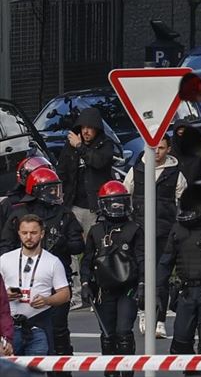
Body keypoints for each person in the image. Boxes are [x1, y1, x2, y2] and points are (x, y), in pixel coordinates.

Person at [0, 167, 82, 354]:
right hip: (21, 281)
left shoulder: (64, 214)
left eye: (56, 188)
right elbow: (5, 244)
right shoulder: (18, 213)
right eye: (50, 189)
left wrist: (62, 243)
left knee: (59, 333)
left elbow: (78, 244)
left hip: (55, 274)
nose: (55, 193)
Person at [123, 135, 186, 340]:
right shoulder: (136, 170)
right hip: (140, 232)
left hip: (164, 233)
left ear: (168, 149)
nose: (157, 152)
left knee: (162, 277)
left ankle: (159, 321)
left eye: (161, 148)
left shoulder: (176, 174)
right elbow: (125, 197)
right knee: (142, 275)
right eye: (153, 148)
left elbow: (183, 204)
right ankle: (143, 314)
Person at [58, 106, 114, 307]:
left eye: (91, 128)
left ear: (98, 129)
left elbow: (99, 163)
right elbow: (62, 171)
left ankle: (97, 292)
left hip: (95, 208)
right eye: (83, 127)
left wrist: (81, 147)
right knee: (71, 248)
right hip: (73, 206)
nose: (86, 131)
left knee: (97, 251)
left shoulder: (105, 145)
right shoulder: (70, 145)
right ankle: (75, 293)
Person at [81, 181, 143, 356]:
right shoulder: (96, 231)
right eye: (113, 203)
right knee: (108, 335)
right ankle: (111, 372)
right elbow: (87, 259)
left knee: (124, 332)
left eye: (121, 202)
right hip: (104, 290)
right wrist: (85, 283)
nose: (117, 207)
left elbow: (142, 259)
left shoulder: (135, 230)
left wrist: (143, 284)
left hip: (128, 289)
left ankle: (127, 372)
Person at [158, 207, 201, 354]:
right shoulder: (178, 229)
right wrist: (157, 288)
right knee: (180, 344)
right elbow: (166, 262)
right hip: (186, 291)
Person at [0, 215, 70, 354]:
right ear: (19, 233)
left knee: (36, 370)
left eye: (33, 233)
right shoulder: (5, 259)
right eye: (24, 233)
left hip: (38, 326)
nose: (28, 237)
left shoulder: (53, 261)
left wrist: (47, 300)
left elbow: (65, 294)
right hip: (10, 327)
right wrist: (5, 295)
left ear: (42, 233)